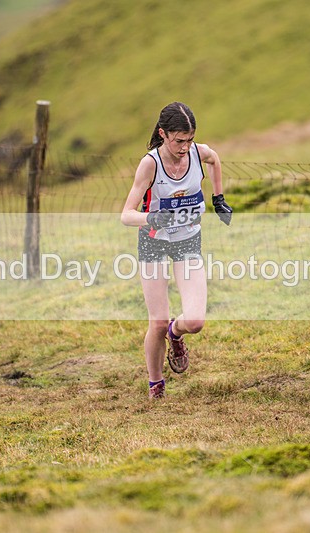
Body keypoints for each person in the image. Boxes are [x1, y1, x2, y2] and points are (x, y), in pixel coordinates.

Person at [120, 102, 233, 399]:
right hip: (154, 242)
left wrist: (218, 196)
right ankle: (155, 384)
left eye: (189, 139)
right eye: (178, 140)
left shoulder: (197, 152)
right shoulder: (151, 164)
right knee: (156, 321)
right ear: (163, 134)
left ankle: (176, 333)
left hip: (187, 242)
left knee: (194, 321)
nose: (184, 147)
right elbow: (126, 214)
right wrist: (151, 217)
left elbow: (215, 159)